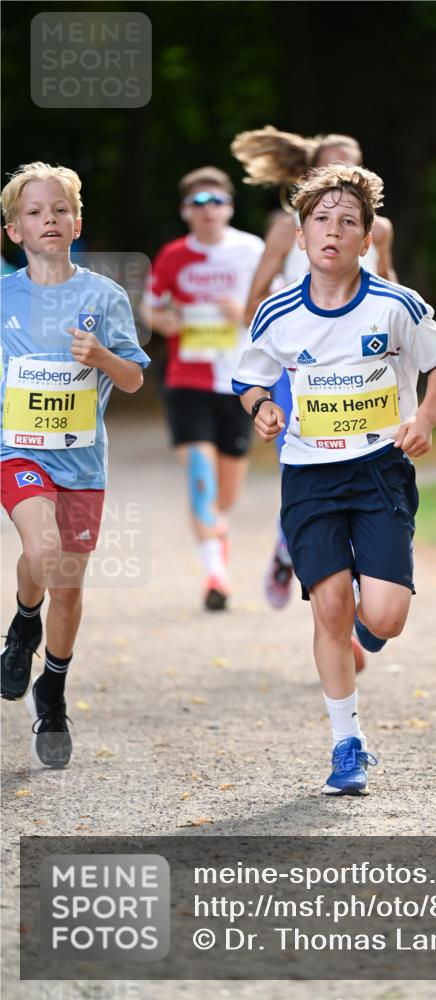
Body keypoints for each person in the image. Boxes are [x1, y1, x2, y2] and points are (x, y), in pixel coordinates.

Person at [232, 164, 436, 795]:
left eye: (348, 222)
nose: (333, 231)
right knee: (329, 604)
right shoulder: (278, 312)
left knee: (384, 618)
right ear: (301, 235)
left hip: (380, 470)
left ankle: (365, 628)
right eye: (321, 220)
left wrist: (425, 417)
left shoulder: (396, 306)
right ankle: (346, 744)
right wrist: (262, 407)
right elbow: (248, 378)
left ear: (367, 238)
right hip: (309, 475)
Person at [0, 162, 150, 767]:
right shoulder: (4, 297)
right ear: (14, 231)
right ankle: (23, 622)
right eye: (35, 212)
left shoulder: (104, 296)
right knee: (43, 550)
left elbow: (134, 379)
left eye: (60, 210)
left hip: (82, 463)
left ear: (77, 222)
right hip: (18, 452)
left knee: (67, 585)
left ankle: (53, 690)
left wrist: (102, 356)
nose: (49, 220)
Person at [231, 127, 397, 608]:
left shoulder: (380, 230)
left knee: (368, 466)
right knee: (310, 464)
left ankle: (366, 571)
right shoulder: (290, 229)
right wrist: (294, 326)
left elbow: (394, 290)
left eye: (351, 164)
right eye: (330, 165)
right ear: (310, 175)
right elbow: (252, 304)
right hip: (302, 372)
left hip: (364, 367)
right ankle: (293, 548)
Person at [140, 167, 264, 611]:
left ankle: (217, 533)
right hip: (187, 381)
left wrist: (245, 310)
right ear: (185, 211)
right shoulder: (173, 255)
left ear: (229, 207)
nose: (208, 210)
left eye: (216, 201)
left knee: (226, 493)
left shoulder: (253, 250)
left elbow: (284, 303)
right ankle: (216, 575)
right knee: (201, 476)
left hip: (242, 383)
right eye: (198, 203)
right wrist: (164, 322)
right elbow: (150, 308)